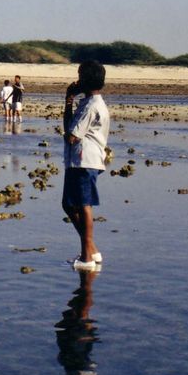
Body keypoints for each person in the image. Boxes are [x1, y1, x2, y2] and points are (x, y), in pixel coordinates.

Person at [63, 60, 110, 271]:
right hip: (80, 160)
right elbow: (71, 130)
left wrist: (68, 102)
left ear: (87, 80)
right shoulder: (89, 103)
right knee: (69, 204)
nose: (77, 80)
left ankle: (86, 257)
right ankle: (92, 250)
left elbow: (72, 135)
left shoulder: (91, 106)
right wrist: (69, 101)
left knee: (83, 205)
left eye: (80, 76)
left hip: (84, 160)